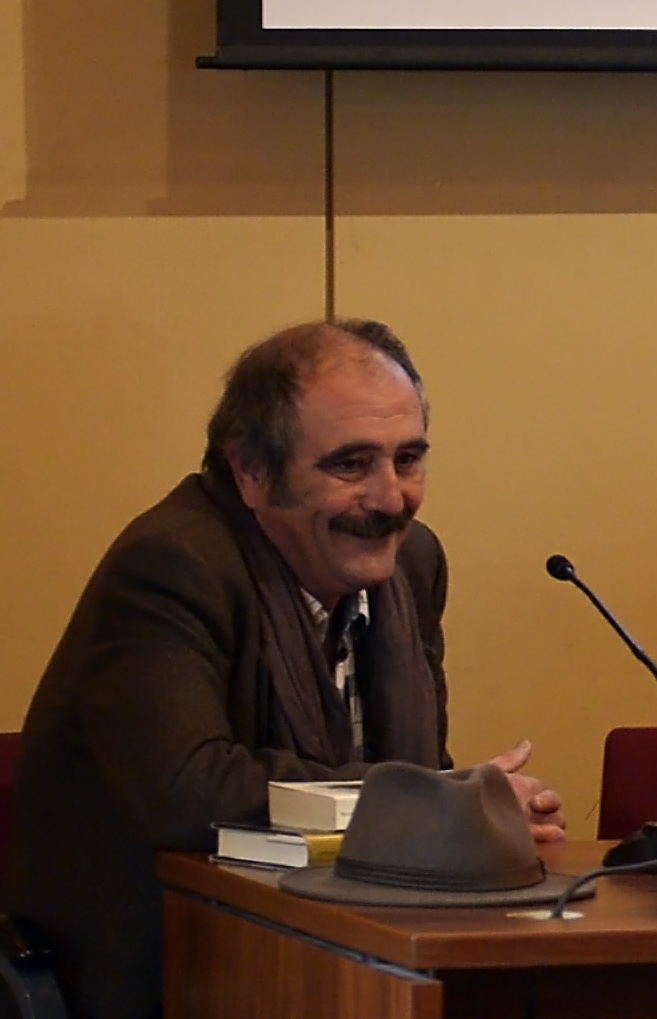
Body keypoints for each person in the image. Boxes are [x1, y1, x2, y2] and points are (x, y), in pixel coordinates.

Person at [2, 320, 568, 1019]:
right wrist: (433, 807)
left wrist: (465, 824)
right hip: (168, 972)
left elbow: (410, 774)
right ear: (251, 471)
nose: (391, 498)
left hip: (350, 954)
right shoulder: (174, 563)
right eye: (351, 465)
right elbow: (188, 793)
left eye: (408, 459)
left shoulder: (414, 565)